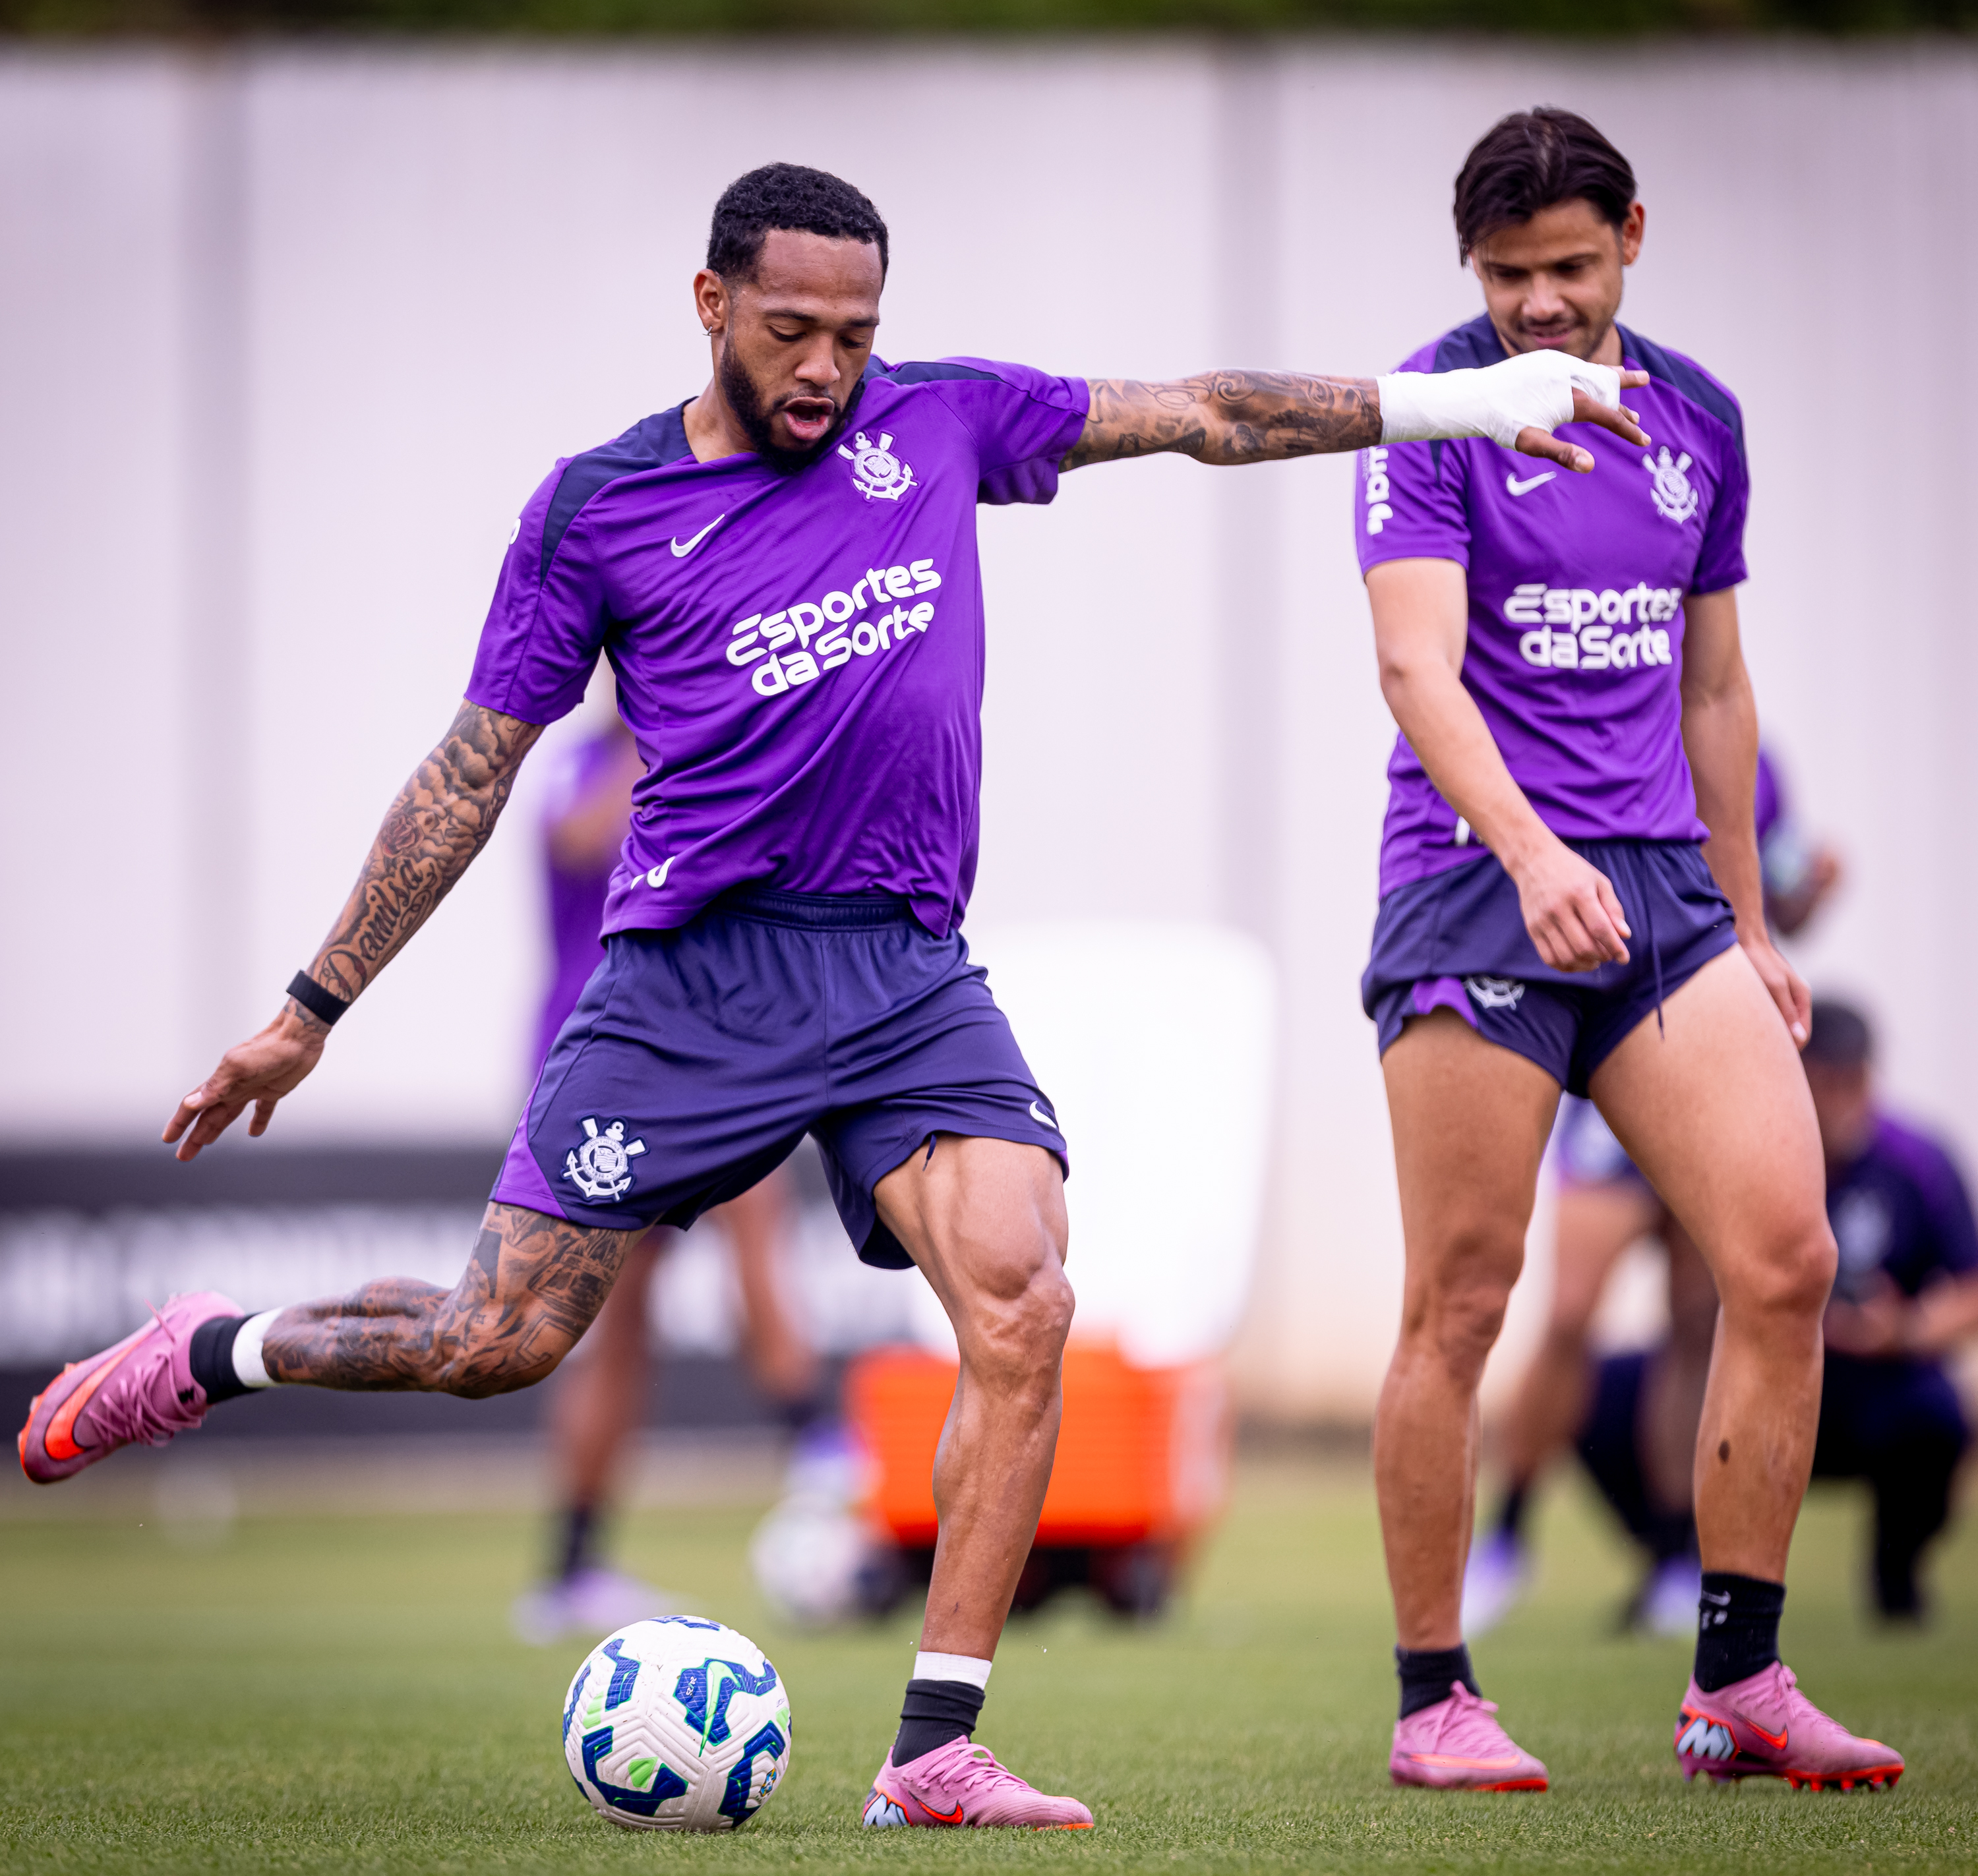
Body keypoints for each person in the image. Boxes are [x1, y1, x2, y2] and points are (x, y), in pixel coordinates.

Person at [20, 161, 1645, 1828]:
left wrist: (1465, 400)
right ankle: (213, 1349)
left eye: (854, 335)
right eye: (790, 329)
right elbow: (470, 770)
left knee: (1023, 1301)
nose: (823, 368)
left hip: (900, 972)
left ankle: (934, 1742)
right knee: (489, 1341)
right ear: (711, 303)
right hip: (686, 988)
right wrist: (312, 1002)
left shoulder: (937, 421)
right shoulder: (596, 507)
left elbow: (1201, 412)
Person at [1356, 109, 1903, 1793]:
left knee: (1783, 1256)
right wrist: (1528, 855)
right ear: (1471, 270)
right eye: (1506, 274)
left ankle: (1732, 1677)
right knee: (1464, 1296)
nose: (1535, 304)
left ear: (1632, 242)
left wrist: (1743, 920)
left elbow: (1714, 687)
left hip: (1661, 896)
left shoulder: (1699, 420)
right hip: (1472, 889)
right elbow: (1416, 672)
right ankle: (1435, 1696)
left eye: (1567, 269)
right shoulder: (1426, 408)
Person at [1464, 746, 1843, 1638]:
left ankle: (1679, 1557)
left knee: (1693, 1319)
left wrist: (1813, 891)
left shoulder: (1751, 760)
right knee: (1568, 1308)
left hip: (1707, 1038)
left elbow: (1775, 892)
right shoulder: (1573, 717)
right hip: (1613, 1027)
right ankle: (1509, 1532)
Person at [512, 717, 829, 1644]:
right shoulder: (584, 764)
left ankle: (819, 1454)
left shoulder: (726, 741)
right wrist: (666, 740)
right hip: (600, 1057)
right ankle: (571, 1564)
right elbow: (585, 837)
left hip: (703, 1043)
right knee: (613, 1323)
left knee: (757, 1220)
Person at [1801, 999, 1978, 1620]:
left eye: (1852, 1082)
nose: (1839, 1102)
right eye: (1823, 1084)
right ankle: (1679, 1571)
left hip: (1886, 1381)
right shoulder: (1765, 1159)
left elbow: (1972, 1286)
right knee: (1621, 1391)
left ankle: (1897, 1572)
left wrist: (1904, 1329)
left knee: (1936, 1418)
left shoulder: (1919, 1160)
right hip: (1780, 1375)